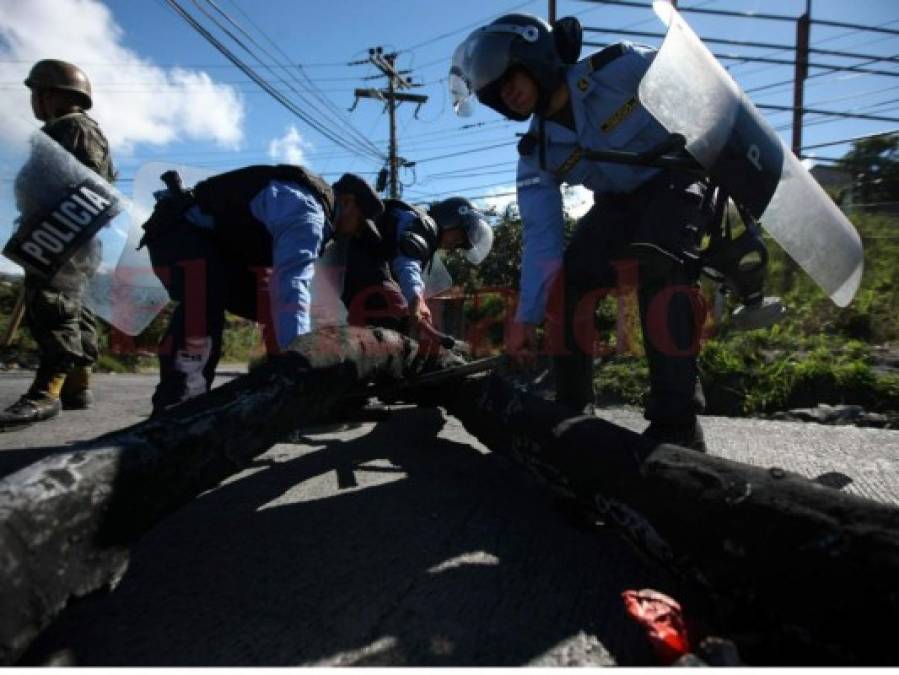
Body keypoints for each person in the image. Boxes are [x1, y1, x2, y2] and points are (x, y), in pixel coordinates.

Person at [450, 14, 709, 450]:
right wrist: (525, 319)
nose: (506, 93)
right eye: (494, 91)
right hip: (617, 206)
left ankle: (678, 421)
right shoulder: (536, 153)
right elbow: (542, 240)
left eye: (509, 76)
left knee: (657, 262)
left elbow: (702, 94)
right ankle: (572, 412)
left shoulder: (620, 67)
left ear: (536, 56)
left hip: (677, 178)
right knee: (565, 283)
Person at [139, 166, 383, 414]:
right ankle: (178, 408)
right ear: (348, 202)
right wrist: (300, 361)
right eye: (361, 224)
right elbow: (292, 286)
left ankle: (276, 389)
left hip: (217, 249)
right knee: (202, 305)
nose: (356, 232)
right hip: (179, 232)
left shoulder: (310, 209)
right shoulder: (308, 212)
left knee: (267, 302)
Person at [0, 59, 116, 431]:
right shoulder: (62, 129)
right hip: (59, 231)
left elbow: (91, 185)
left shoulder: (76, 128)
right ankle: (77, 386)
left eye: (36, 92)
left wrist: (55, 226)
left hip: (64, 231)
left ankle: (45, 392)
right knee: (73, 307)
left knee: (54, 306)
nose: (33, 101)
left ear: (51, 94)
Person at [341, 195, 494, 349]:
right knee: (395, 315)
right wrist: (416, 299)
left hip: (349, 284)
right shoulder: (423, 225)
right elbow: (408, 263)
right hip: (363, 284)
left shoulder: (417, 225)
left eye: (460, 244)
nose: (455, 245)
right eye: (459, 237)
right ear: (450, 219)